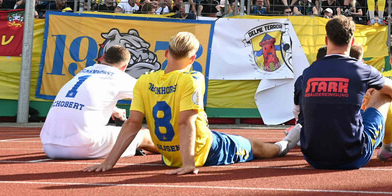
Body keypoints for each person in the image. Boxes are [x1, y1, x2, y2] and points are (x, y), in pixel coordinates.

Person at [86, 32, 287, 174]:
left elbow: (132, 123)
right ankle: (283, 145)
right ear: (193, 58)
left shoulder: (144, 81)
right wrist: (189, 163)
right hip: (203, 150)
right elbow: (185, 122)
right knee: (255, 146)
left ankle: (286, 142)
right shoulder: (192, 78)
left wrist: (109, 162)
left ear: (166, 53)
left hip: (170, 155)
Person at [287, 15, 392, 169]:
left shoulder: (308, 72)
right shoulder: (362, 70)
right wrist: (372, 88)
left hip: (312, 157)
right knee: (384, 93)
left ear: (326, 40)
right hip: (352, 156)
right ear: (352, 42)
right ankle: (388, 146)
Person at [40, 45, 157, 159]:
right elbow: (152, 94)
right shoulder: (119, 77)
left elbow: (82, 100)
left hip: (48, 147)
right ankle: (168, 153)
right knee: (144, 135)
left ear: (102, 59)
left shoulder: (84, 73)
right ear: (124, 67)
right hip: (83, 147)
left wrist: (113, 109)